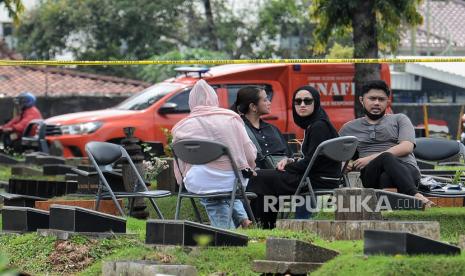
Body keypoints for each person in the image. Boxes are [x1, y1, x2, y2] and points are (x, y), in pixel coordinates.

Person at [246, 85, 341, 228]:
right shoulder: (317, 123)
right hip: (318, 177)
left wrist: (289, 166)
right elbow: (314, 158)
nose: (302, 105)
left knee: (259, 177)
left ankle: (260, 225)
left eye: (307, 101)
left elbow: (312, 163)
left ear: (316, 102)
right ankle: (264, 225)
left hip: (315, 180)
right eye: (298, 101)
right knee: (264, 179)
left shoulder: (318, 126)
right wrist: (292, 161)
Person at [171, 79, 257, 229]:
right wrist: (250, 166)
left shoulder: (181, 126)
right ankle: (239, 221)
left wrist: (182, 182)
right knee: (226, 187)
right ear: (215, 99)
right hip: (232, 179)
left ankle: (226, 234)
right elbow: (250, 154)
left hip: (200, 180)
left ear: (191, 102)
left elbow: (179, 165)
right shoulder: (231, 118)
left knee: (210, 192)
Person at [339, 80, 434, 207]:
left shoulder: (400, 119)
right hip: (371, 174)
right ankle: (416, 196)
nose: (377, 103)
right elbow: (336, 155)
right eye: (372, 98)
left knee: (386, 175)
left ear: (387, 102)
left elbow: (407, 147)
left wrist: (370, 158)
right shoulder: (349, 128)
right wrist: (345, 165)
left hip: (407, 169)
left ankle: (392, 209)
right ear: (362, 100)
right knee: (385, 161)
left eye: (381, 99)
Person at [231, 86, 292, 169]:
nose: (269, 103)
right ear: (253, 107)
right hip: (256, 178)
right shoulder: (239, 129)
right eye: (265, 100)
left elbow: (289, 155)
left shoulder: (273, 129)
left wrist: (286, 160)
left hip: (281, 176)